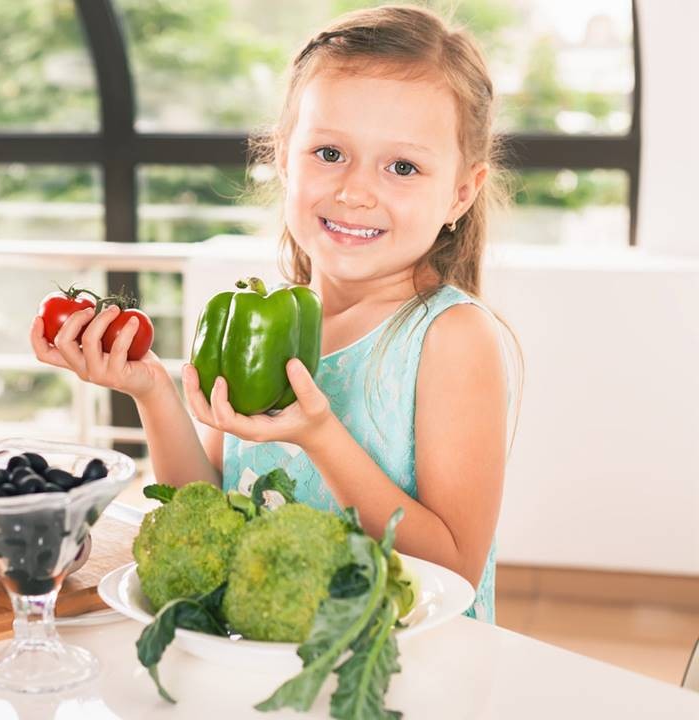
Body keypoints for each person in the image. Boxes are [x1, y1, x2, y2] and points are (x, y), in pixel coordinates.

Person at [30, 5, 518, 622]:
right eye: (329, 152)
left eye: (402, 166)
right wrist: (151, 390)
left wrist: (319, 437)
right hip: (266, 655)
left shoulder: (452, 336)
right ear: (285, 158)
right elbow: (205, 508)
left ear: (460, 192)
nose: (355, 190)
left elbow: (452, 574)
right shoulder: (260, 320)